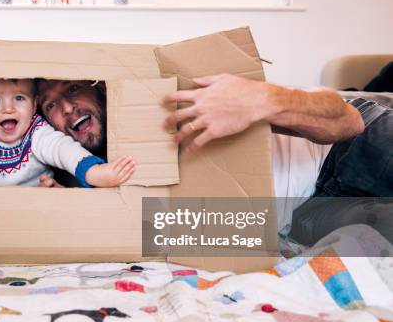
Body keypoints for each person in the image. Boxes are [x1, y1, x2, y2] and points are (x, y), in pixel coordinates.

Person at [36, 75, 392, 245]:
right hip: (307, 212)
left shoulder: (162, 98)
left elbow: (348, 122)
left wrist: (261, 100)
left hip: (348, 148)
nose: (67, 108)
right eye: (51, 105)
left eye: (72, 90)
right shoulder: (78, 170)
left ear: (97, 88)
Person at [0, 78, 135, 188]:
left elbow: (63, 149)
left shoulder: (37, 131)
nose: (8, 109)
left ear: (34, 105)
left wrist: (95, 173)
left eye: (19, 98)